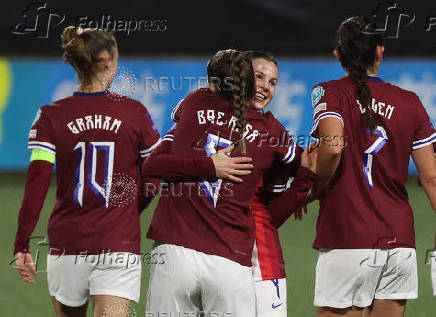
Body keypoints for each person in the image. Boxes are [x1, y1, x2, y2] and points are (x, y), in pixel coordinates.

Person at [142, 49, 303, 317]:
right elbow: (304, 164)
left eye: (272, 81)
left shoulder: (193, 104)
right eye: (259, 77)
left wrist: (207, 166)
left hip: (175, 250)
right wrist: (293, 189)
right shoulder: (270, 131)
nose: (265, 86)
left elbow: (152, 165)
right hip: (230, 259)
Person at [13, 26, 160, 317]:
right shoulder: (134, 113)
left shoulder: (51, 115)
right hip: (118, 244)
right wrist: (130, 208)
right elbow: (155, 175)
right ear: (106, 60)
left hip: (67, 245)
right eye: (116, 59)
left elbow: (37, 181)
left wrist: (22, 241)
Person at [308, 16, 436, 317]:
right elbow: (431, 179)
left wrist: (313, 188)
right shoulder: (410, 102)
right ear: (380, 51)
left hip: (347, 239)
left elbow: (332, 147)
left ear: (338, 55)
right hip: (399, 244)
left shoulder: (329, 93)